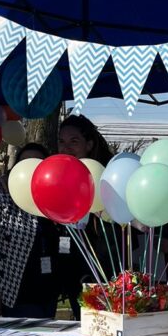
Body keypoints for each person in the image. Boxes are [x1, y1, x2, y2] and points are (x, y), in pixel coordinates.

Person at [0, 142, 61, 319]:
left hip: (47, 295)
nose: (30, 168)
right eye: (25, 163)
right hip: (13, 297)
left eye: (37, 163)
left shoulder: (51, 198)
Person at [57, 115, 113, 318]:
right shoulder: (57, 174)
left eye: (74, 141)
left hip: (106, 268)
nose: (66, 148)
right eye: (61, 142)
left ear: (89, 144)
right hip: (72, 268)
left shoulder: (106, 176)